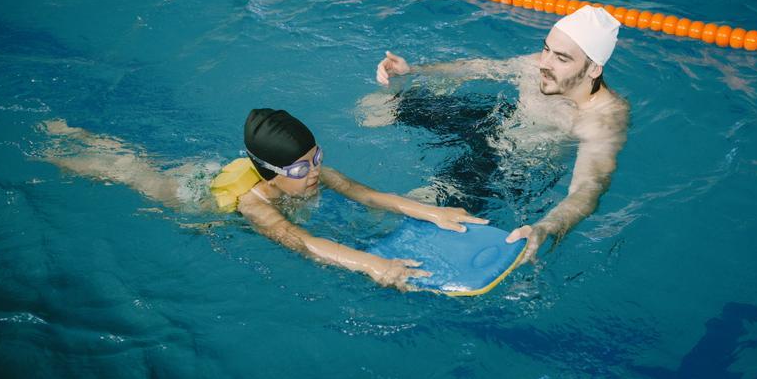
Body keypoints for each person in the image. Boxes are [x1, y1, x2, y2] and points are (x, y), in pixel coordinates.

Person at [40, 109, 487, 291]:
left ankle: (81, 138)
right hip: (189, 196)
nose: (314, 173)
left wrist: (434, 211)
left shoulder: (314, 172)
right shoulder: (255, 206)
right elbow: (302, 242)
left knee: (141, 161)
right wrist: (373, 265)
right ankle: (67, 144)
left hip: (230, 170)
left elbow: (367, 194)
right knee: (133, 172)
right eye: (300, 168)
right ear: (271, 171)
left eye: (316, 159)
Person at [366, 6, 630, 265]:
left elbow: (588, 188)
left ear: (594, 69)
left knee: (421, 205)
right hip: (495, 121)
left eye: (561, 58)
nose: (545, 64)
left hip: (508, 164)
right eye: (546, 49)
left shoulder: (601, 118)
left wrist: (547, 227)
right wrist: (414, 70)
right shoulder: (539, 64)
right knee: (376, 108)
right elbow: (479, 67)